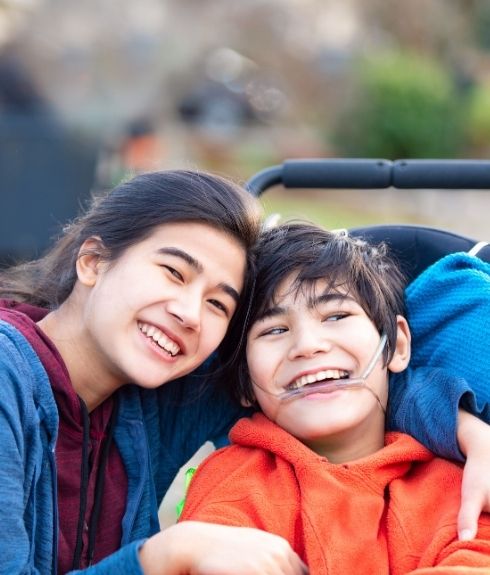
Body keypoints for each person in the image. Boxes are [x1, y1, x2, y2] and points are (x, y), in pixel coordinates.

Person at [0, 169, 307, 575]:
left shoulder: (157, 400)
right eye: (174, 272)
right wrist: (164, 556)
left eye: (218, 305)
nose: (190, 314)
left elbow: (335, 378)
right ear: (92, 262)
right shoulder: (9, 376)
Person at [179, 222, 490, 573]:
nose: (309, 346)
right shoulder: (234, 480)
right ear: (244, 384)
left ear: (398, 346)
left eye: (337, 315)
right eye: (275, 330)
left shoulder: (459, 484)